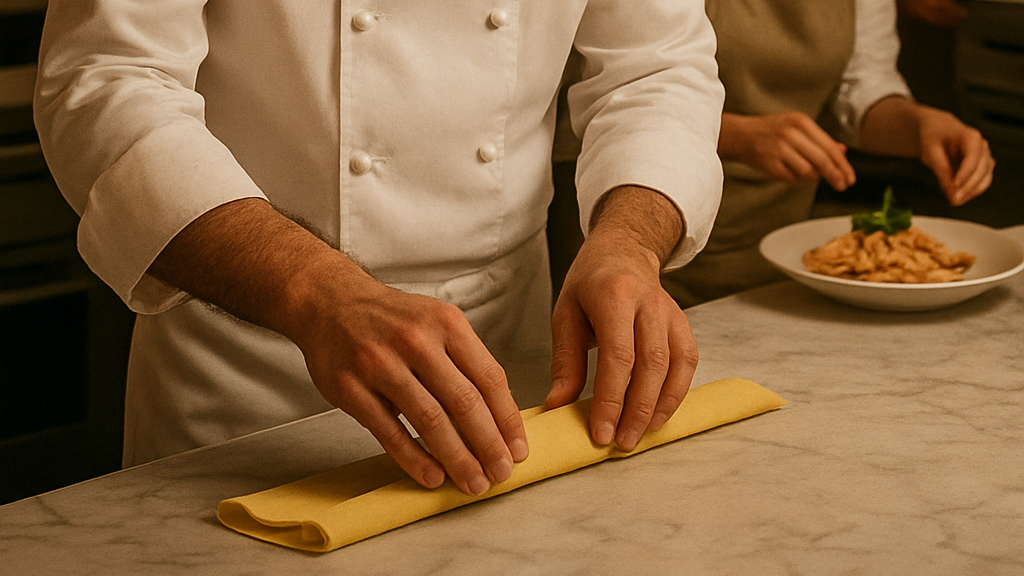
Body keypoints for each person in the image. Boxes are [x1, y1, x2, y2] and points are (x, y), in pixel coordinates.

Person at [34, 2, 725, 496]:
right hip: (249, 377)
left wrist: (630, 240)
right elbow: (105, 82)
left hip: (508, 354)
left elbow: (655, 70)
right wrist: (316, 291)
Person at [655, 0, 995, 307]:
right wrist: (736, 136)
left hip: (782, 263)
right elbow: (623, 95)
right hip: (656, 253)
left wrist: (920, 125)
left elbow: (862, 89)